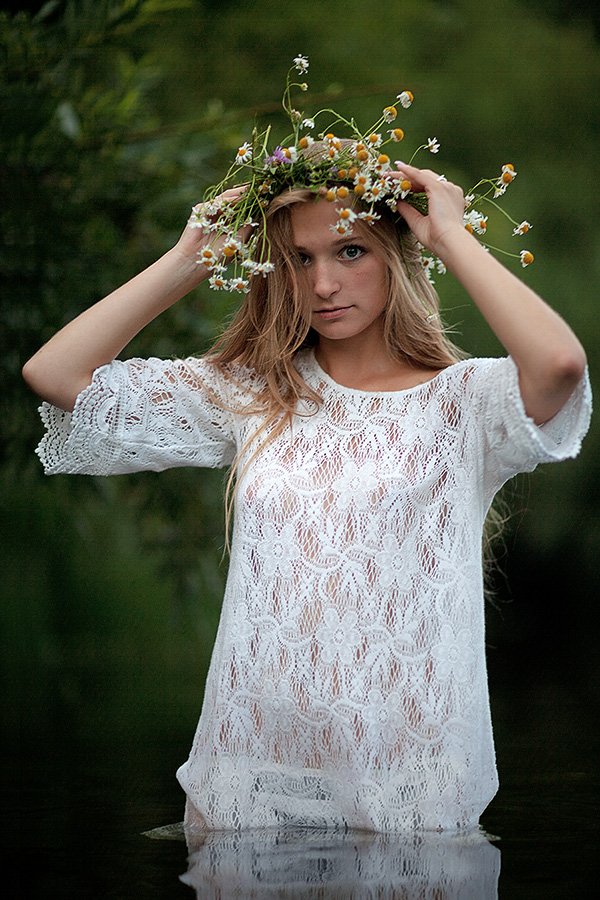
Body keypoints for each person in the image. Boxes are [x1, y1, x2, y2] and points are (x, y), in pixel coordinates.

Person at [23, 73, 591, 833]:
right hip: (247, 781)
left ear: (397, 254)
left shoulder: (465, 404)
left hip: (407, 790)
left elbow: (558, 365)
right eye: (297, 258)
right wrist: (189, 260)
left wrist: (450, 232)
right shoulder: (255, 392)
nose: (322, 282)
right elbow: (57, 376)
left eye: (350, 250)